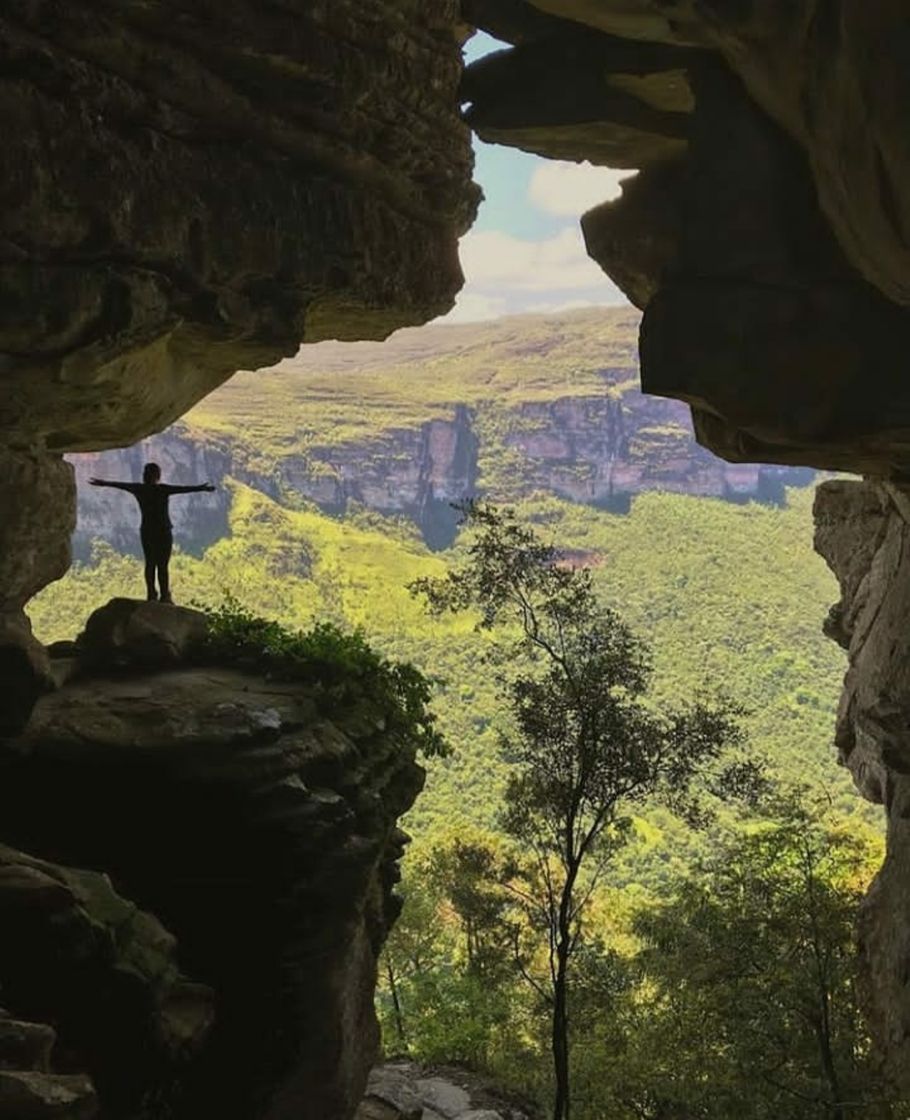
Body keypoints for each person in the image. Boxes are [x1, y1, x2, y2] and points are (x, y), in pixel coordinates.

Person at [89, 463, 215, 603]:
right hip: (163, 531)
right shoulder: (162, 489)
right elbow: (183, 489)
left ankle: (151, 594)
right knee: (162, 565)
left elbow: (120, 485)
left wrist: (104, 483)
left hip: (147, 531)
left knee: (150, 563)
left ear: (144, 475)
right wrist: (202, 488)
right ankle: (165, 596)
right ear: (158, 475)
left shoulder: (139, 489)